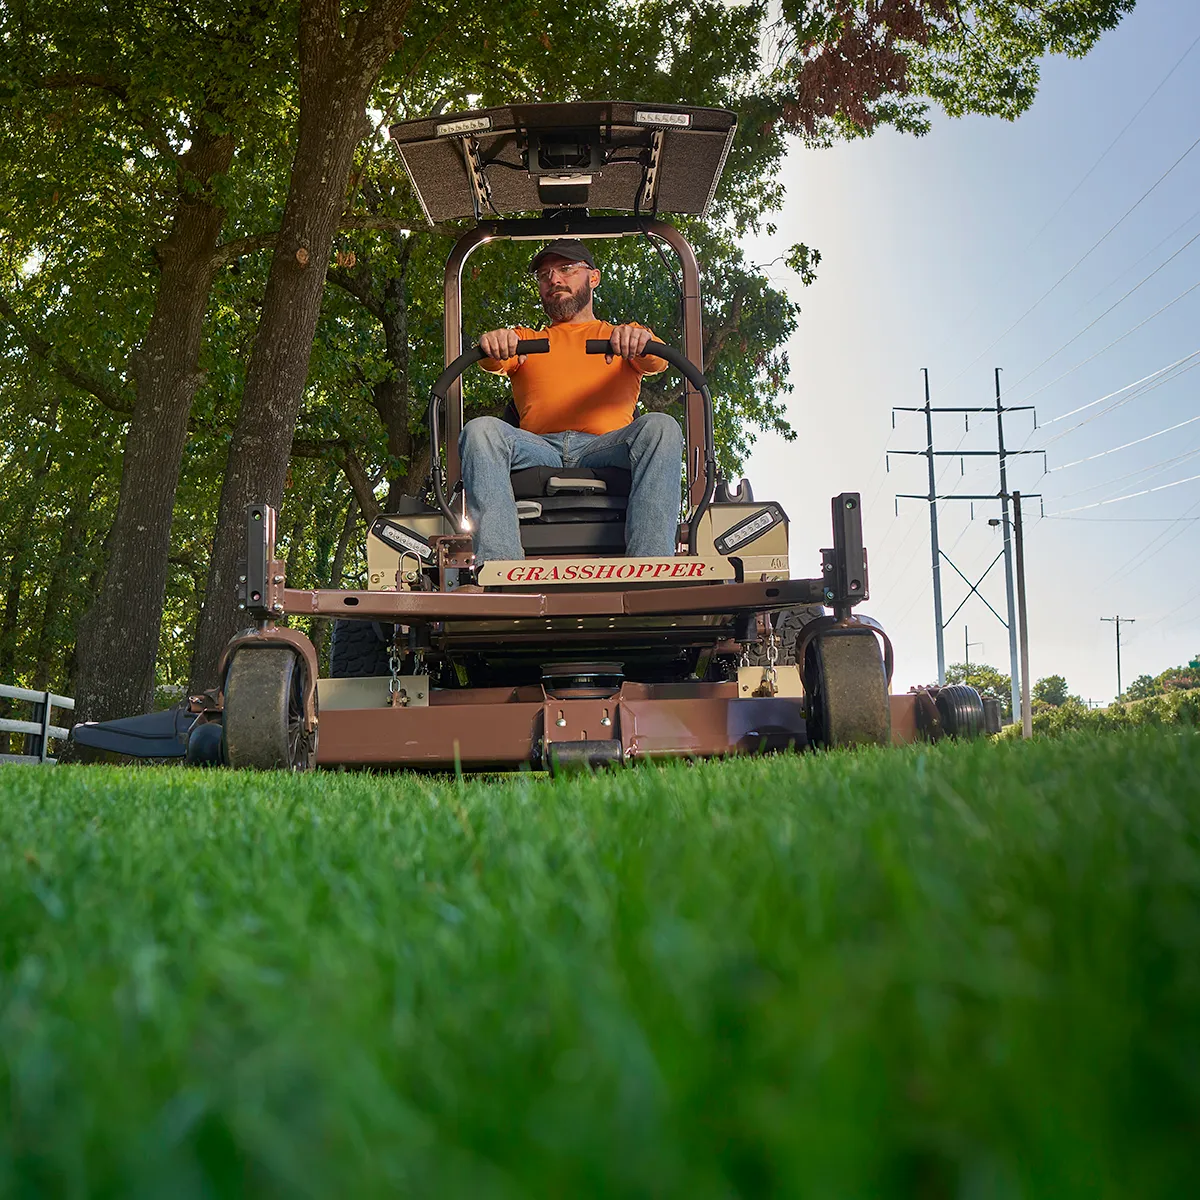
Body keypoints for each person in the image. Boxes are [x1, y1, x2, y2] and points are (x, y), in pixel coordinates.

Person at [459, 238, 684, 572]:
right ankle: (499, 568)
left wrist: (640, 342)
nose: (554, 279)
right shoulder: (526, 340)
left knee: (662, 427)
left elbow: (657, 361)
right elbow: (493, 360)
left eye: (566, 269)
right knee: (479, 430)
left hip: (605, 446)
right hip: (538, 448)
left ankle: (648, 567)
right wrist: (495, 342)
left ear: (593, 278)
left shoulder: (622, 336)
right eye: (545, 274)